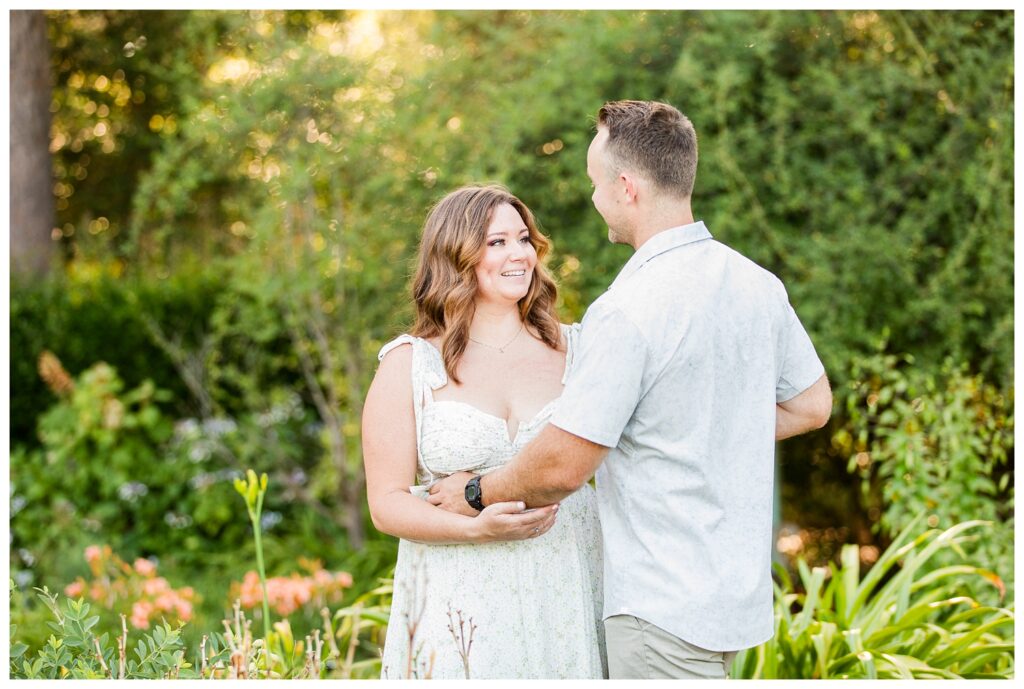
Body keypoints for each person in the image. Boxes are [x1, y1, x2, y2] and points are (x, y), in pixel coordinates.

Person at [428, 100, 833, 680]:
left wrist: (476, 491)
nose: (594, 200)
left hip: (658, 608)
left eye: (596, 184)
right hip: (733, 605)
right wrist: (695, 423)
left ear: (626, 187)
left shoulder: (627, 309)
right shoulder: (757, 284)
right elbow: (811, 405)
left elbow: (563, 467)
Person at [361, 184, 606, 679]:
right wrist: (473, 529)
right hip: (459, 589)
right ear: (455, 255)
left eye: (523, 239)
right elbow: (386, 503)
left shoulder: (579, 350)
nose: (519, 254)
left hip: (567, 576)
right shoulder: (410, 364)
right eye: (497, 243)